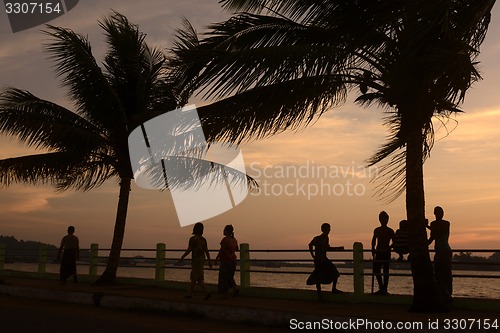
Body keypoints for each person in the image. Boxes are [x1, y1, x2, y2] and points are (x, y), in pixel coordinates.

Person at [307, 223, 344, 300]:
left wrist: (337, 248)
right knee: (318, 276)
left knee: (335, 272)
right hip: (318, 260)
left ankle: (333, 289)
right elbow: (310, 245)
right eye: (327, 229)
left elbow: (327, 248)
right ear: (322, 229)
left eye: (329, 229)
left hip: (324, 259)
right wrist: (313, 255)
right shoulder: (317, 238)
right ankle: (319, 295)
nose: (328, 230)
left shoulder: (326, 238)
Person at [178, 222, 212, 300]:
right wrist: (209, 261)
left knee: (198, 278)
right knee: (194, 277)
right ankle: (189, 293)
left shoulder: (193, 239)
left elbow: (189, 250)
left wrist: (182, 257)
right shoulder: (203, 240)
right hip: (202, 260)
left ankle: (207, 292)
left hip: (196, 260)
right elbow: (206, 251)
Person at [427, 206, 453, 302]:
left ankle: (449, 294)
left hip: (445, 251)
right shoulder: (433, 224)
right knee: (438, 274)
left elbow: (440, 231)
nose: (439, 214)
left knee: (447, 274)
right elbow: (431, 238)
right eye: (437, 213)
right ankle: (442, 293)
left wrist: (428, 227)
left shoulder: (446, 223)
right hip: (438, 251)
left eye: (440, 212)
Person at [371, 211, 395, 295]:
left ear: (387, 220)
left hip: (386, 252)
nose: (383, 220)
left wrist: (390, 247)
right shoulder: (377, 230)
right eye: (381, 219)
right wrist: (372, 249)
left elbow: (394, 242)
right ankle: (381, 287)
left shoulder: (390, 231)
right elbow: (374, 240)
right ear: (379, 219)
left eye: (385, 219)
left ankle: (384, 288)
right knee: (376, 269)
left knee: (385, 270)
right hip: (378, 251)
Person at [215, 225, 239, 297]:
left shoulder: (225, 240)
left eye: (224, 229)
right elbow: (237, 249)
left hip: (226, 260)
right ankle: (234, 288)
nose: (223, 230)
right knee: (230, 276)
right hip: (233, 260)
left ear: (227, 231)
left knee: (224, 276)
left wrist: (217, 258)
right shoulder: (234, 240)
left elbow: (221, 250)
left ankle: (225, 292)